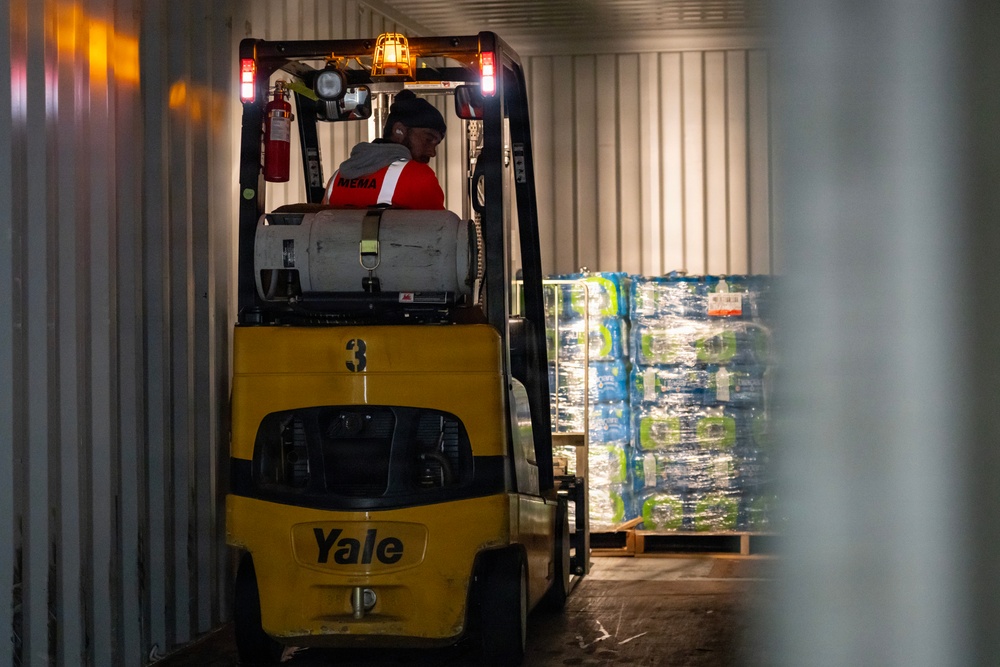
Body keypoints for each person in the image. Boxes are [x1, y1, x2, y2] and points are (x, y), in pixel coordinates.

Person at [322, 90, 446, 209]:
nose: (432, 152)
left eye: (436, 144)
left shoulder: (337, 177)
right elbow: (442, 223)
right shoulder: (419, 178)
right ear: (399, 130)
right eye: (428, 139)